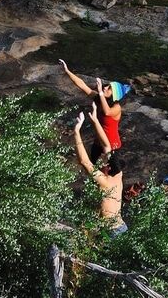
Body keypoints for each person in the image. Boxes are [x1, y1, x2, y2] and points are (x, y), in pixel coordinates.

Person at [59, 59, 131, 161]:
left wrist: (101, 92)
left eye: (109, 88)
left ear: (114, 95)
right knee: (93, 168)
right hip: (98, 142)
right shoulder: (99, 98)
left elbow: (107, 112)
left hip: (111, 146)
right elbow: (82, 85)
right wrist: (67, 70)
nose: (105, 87)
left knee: (105, 172)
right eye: (107, 86)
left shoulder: (117, 108)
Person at [73, 105, 127, 236]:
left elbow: (84, 162)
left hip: (112, 231)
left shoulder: (105, 182)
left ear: (108, 167)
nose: (99, 164)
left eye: (102, 162)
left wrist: (76, 131)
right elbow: (107, 146)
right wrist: (96, 120)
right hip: (120, 226)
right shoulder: (118, 175)